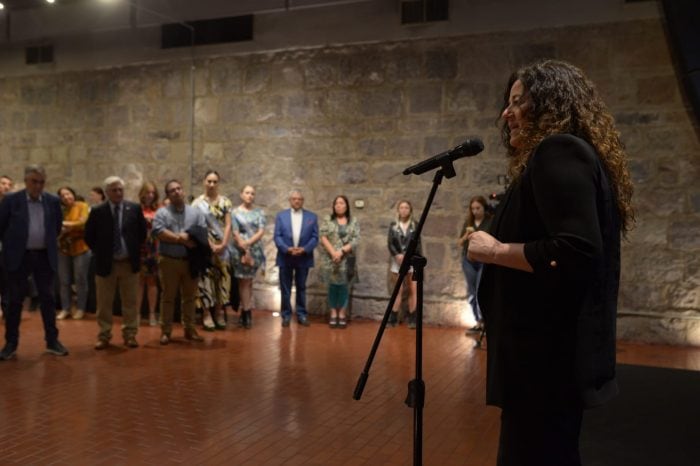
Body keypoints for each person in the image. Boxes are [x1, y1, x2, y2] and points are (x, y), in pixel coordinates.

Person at [467, 60, 634, 466]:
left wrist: (493, 251)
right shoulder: (572, 152)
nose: (507, 114)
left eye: (518, 103)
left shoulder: (558, 149)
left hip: (543, 363)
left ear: (550, 105)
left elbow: (575, 249)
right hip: (547, 362)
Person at [0, 165, 68, 360]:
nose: (38, 186)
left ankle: (52, 341)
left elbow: (55, 227)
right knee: (15, 301)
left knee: (47, 299)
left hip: (44, 256)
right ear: (26, 181)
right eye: (34, 182)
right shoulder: (12, 201)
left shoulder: (53, 202)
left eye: (41, 182)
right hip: (18, 257)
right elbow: (1, 226)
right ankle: (11, 343)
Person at [85, 176, 147, 349]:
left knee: (130, 302)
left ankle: (130, 335)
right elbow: (89, 236)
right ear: (107, 192)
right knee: (104, 303)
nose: (118, 193)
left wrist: (132, 250)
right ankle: (104, 335)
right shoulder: (98, 211)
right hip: (106, 264)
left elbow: (142, 234)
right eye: (114, 190)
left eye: (120, 189)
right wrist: (102, 252)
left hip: (128, 263)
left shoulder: (133, 209)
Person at [152, 179, 208, 345]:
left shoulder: (195, 213)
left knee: (189, 298)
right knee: (168, 297)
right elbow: (158, 232)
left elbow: (202, 231)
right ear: (168, 195)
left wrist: (191, 238)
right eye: (172, 190)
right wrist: (180, 239)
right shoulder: (162, 213)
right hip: (169, 260)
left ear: (183, 191)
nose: (177, 192)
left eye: (179, 188)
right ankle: (166, 332)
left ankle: (190, 329)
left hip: (190, 261)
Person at [192, 171, 233, 331]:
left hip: (222, 246)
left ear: (218, 183)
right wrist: (209, 244)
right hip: (205, 246)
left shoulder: (225, 202)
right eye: (209, 181)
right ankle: (206, 314)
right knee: (205, 280)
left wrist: (223, 243)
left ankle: (219, 313)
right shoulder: (197, 203)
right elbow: (198, 226)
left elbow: (228, 224)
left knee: (222, 279)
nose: (211, 184)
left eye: (215, 181)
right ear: (204, 182)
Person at [273, 189, 318, 327]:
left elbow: (315, 237)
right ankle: (286, 315)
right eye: (294, 199)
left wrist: (304, 249)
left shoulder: (312, 217)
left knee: (301, 287)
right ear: (290, 200)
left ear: (303, 201)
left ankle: (302, 314)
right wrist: (287, 249)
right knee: (285, 288)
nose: (297, 201)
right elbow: (277, 236)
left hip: (303, 257)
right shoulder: (281, 216)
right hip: (285, 257)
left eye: (299, 199)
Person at [319, 195, 359, 329]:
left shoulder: (353, 221)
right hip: (330, 260)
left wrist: (341, 251)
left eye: (341, 203)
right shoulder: (327, 219)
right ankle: (333, 312)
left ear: (346, 206)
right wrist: (333, 253)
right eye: (336, 203)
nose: (339, 205)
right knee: (332, 287)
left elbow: (355, 240)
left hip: (346, 260)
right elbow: (323, 236)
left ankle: (342, 313)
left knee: (344, 287)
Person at [231, 185, 266, 329]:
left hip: (255, 250)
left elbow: (261, 231)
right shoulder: (235, 212)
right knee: (243, 281)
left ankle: (245, 310)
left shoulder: (259, 212)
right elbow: (234, 231)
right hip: (239, 249)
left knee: (248, 281)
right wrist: (243, 245)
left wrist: (248, 243)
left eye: (252, 193)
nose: (250, 195)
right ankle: (246, 312)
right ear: (241, 195)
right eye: (247, 193)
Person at [457, 196, 492, 333]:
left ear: (484, 208)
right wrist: (467, 235)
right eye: (473, 208)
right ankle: (478, 322)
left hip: (484, 260)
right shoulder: (468, 222)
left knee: (480, 290)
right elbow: (459, 243)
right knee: (471, 292)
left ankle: (485, 321)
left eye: (478, 208)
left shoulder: (490, 221)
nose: (475, 211)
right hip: (469, 261)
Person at [56, 186, 90, 320]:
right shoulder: (61, 210)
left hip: (81, 247)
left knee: (80, 279)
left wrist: (64, 224)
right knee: (64, 280)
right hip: (63, 248)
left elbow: (82, 222)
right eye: (62, 196)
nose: (66, 197)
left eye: (68, 194)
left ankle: (81, 308)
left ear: (73, 194)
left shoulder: (82, 205)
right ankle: (66, 308)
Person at [387, 200, 422, 329]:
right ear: (398, 210)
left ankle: (413, 318)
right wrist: (397, 255)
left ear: (410, 210)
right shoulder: (393, 225)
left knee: (413, 289)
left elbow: (417, 243)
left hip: (411, 260)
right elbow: (390, 243)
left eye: (406, 207)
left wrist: (409, 256)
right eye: (401, 207)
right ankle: (393, 317)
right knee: (398, 290)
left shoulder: (415, 225)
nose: (404, 210)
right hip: (398, 261)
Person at [136, 181, 161, 326]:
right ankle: (137, 313)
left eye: (152, 192)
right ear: (142, 194)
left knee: (152, 282)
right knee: (139, 283)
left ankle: (152, 314)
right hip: (140, 249)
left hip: (155, 249)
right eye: (147, 192)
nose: (150, 195)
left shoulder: (159, 209)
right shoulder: (136, 209)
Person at [0, 175, 13, 319]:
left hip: (7, 249)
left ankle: (7, 310)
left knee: (6, 281)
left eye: (8, 184)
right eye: (3, 183)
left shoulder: (13, 204)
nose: (6, 186)